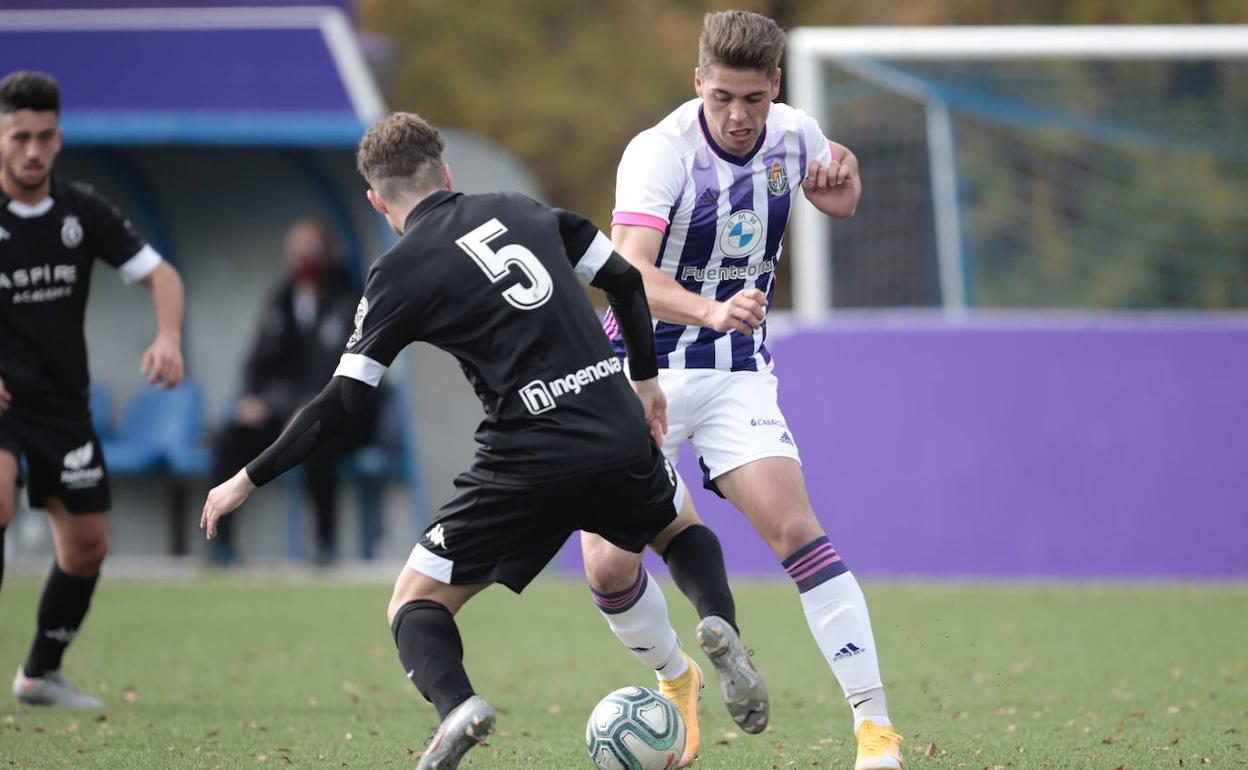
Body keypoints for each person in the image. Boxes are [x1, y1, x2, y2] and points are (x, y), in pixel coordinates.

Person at [200, 112, 707, 770]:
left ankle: (457, 705)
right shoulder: (519, 209)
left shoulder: (397, 270)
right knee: (667, 532)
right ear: (444, 173)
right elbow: (625, 282)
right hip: (606, 429)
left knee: (414, 602)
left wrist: (246, 477)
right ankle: (702, 633)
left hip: (521, 458)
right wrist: (644, 382)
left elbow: (343, 401)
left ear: (376, 202)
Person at [581, 10, 904, 769]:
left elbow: (839, 193)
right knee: (605, 566)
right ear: (698, 83)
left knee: (797, 531)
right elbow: (624, 276)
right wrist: (710, 310)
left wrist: (845, 175)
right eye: (721, 96)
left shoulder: (795, 134)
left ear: (775, 90)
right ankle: (678, 679)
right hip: (640, 372)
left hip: (736, 374)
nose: (736, 116)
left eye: (752, 100)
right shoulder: (659, 153)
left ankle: (876, 734)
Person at [0, 71, 185, 707]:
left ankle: (38, 674)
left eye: (44, 137)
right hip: (1, 405)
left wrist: (167, 338)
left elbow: (162, 276)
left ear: (58, 138)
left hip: (61, 406)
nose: (32, 150)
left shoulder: (82, 211)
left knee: (86, 549)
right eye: (19, 136)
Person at [208, 217, 373, 565]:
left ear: (328, 254)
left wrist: (298, 407)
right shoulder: (282, 299)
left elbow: (341, 372)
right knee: (231, 436)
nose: (302, 258)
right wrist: (253, 399)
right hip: (280, 410)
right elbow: (257, 362)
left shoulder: (349, 299)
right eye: (296, 251)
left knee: (317, 439)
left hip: (338, 413)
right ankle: (220, 545)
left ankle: (324, 544)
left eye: (310, 250)